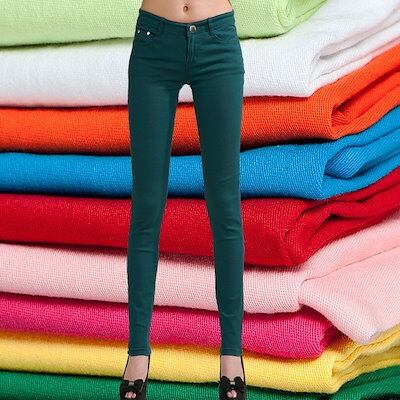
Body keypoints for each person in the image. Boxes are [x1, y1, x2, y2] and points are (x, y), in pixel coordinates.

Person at [120, 0, 246, 399]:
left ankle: (232, 353)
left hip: (217, 40)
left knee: (225, 204)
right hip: (154, 41)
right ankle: (137, 352)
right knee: (147, 206)